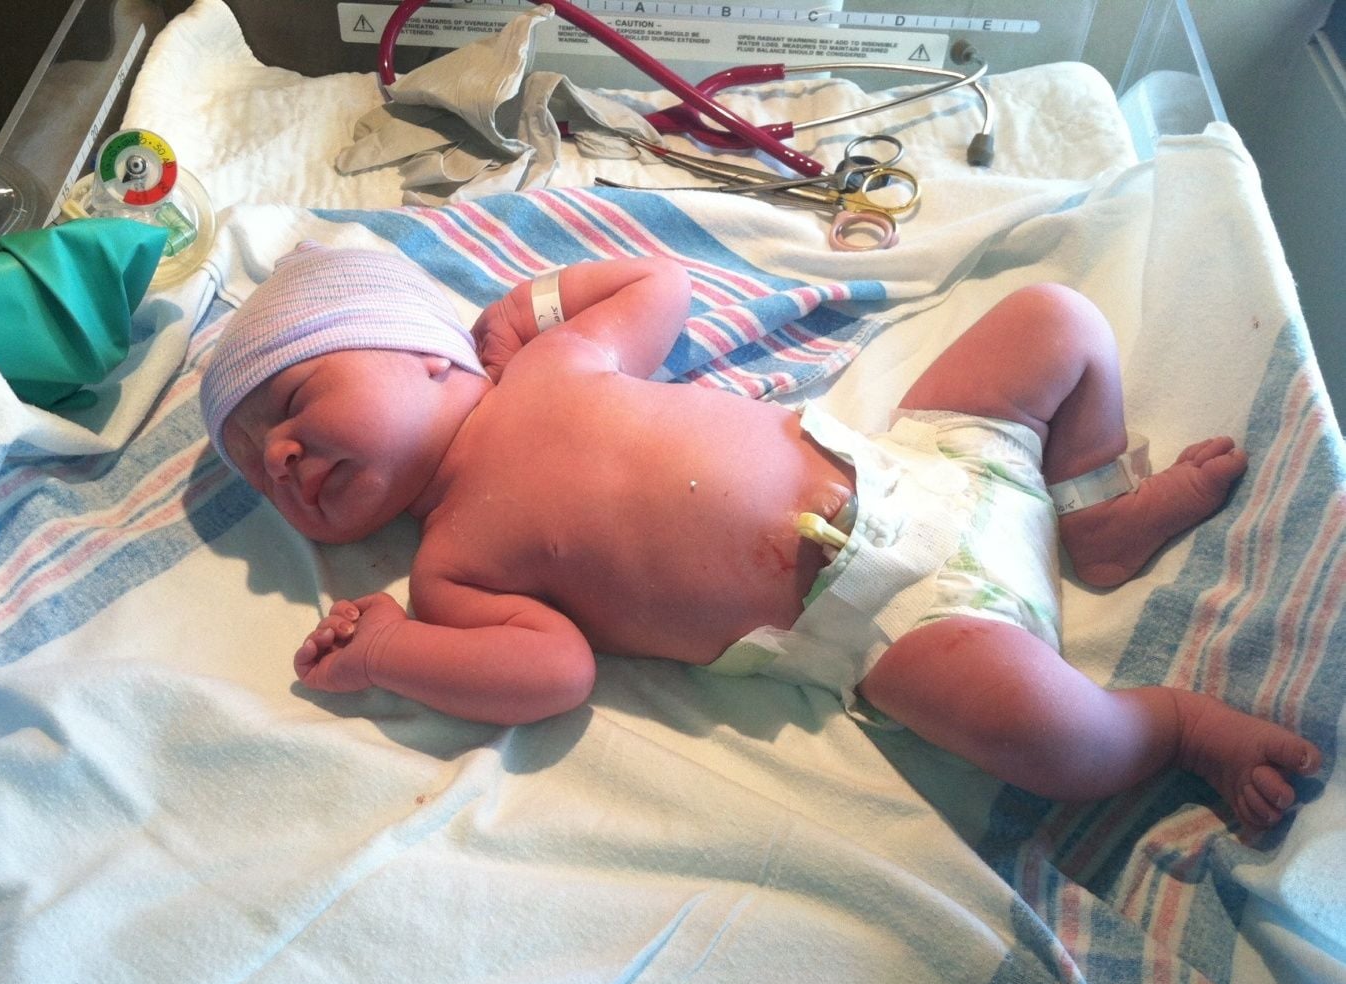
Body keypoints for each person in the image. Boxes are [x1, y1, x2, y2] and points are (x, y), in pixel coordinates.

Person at [200, 244, 1321, 833]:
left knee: (1057, 319)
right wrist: (393, 649)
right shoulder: (449, 568)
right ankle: (1172, 727)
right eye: (259, 472)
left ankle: (1099, 518)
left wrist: (527, 307)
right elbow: (553, 673)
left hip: (925, 457)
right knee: (1059, 743)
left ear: (422, 351)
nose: (282, 460)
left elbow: (661, 283)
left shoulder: (551, 362)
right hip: (888, 616)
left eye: (291, 405)